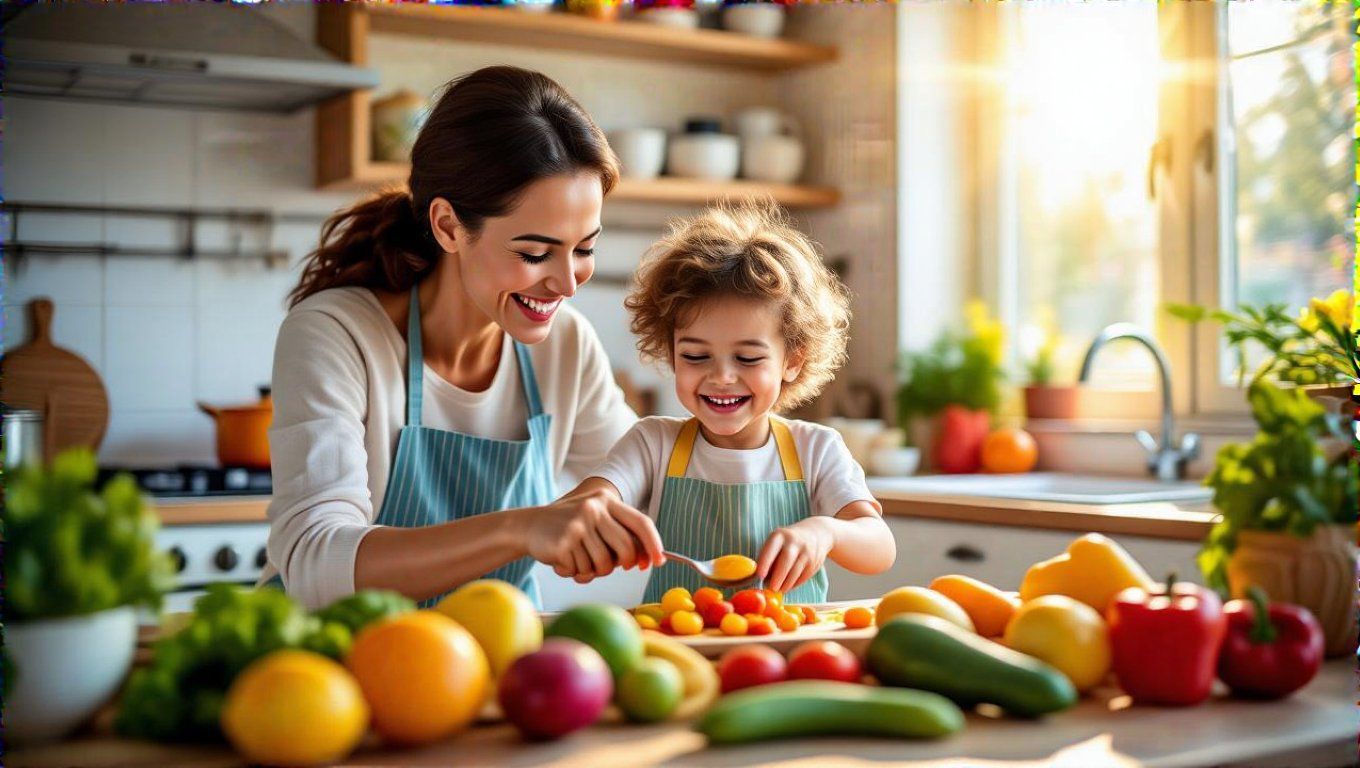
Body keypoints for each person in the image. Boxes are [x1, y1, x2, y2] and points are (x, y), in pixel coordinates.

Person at [262, 66, 663, 611]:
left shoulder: (565, 345)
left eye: (585, 248)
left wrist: (603, 497)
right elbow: (315, 560)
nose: (567, 282)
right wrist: (523, 528)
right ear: (449, 226)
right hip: (332, 670)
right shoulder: (337, 334)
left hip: (494, 670)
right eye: (535, 253)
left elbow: (648, 477)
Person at [577, 199, 895, 605]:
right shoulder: (652, 444)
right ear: (671, 353)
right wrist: (598, 514)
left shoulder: (815, 449)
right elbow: (586, 506)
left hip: (784, 653)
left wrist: (826, 531)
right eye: (695, 356)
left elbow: (880, 548)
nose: (722, 376)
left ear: (792, 360)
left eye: (747, 358)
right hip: (680, 656)